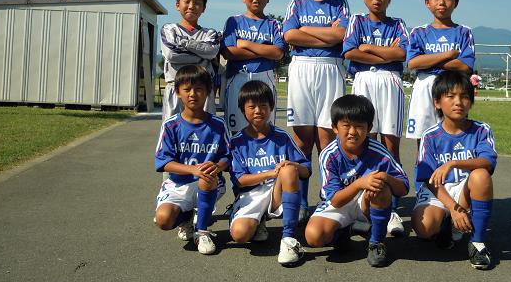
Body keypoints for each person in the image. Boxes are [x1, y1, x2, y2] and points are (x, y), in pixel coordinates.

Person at [282, 0, 350, 221]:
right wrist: (327, 34)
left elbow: (341, 35)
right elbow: (289, 35)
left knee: (327, 139)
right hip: (302, 68)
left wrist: (306, 31)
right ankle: (300, 201)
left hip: (331, 68)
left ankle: (327, 197)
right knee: (302, 139)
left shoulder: (341, 4)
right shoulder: (297, 3)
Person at [341, 0, 409, 237]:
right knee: (364, 143)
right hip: (364, 80)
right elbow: (349, 52)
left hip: (391, 81)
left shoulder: (398, 23)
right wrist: (385, 53)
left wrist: (368, 48)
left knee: (391, 145)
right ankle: (364, 206)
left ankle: (391, 210)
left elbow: (402, 53)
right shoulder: (356, 21)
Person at [305, 95, 409, 267]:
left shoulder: (379, 151)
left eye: (359, 126)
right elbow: (335, 200)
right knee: (313, 236)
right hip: (340, 201)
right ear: (335, 127)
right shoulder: (329, 154)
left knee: (381, 187)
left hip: (367, 201)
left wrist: (385, 177)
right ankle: (343, 232)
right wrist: (359, 183)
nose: (353, 132)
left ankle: (376, 242)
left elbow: (404, 187)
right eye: (346, 125)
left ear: (369, 128)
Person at [410, 70, 497, 270]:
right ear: (437, 103)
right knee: (424, 229)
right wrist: (453, 209)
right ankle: (446, 224)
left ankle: (477, 243)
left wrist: (454, 163)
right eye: (450, 96)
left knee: (481, 175)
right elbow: (428, 179)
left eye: (464, 96)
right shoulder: (430, 136)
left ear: (471, 102)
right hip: (438, 190)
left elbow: (488, 162)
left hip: (466, 189)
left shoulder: (481, 130)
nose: (458, 102)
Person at [228, 81, 311, 266]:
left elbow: (306, 170)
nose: (258, 111)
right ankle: (257, 222)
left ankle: (289, 239)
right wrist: (270, 173)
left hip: (276, 192)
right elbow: (240, 180)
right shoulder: (237, 142)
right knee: (240, 235)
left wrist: (294, 166)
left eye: (263, 106)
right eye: (252, 107)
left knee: (289, 170)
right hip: (250, 196)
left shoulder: (282, 137)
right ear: (243, 109)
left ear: (271, 107)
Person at [154, 65, 230, 255]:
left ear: (208, 91)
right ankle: (186, 216)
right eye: (187, 89)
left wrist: (217, 166)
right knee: (163, 220)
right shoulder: (171, 125)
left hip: (209, 183)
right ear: (177, 92)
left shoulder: (218, 124)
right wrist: (192, 169)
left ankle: (201, 231)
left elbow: (228, 156)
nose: (193, 94)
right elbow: (163, 161)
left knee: (206, 176)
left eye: (199, 89)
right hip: (178, 185)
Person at [405, 0, 475, 141]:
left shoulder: (464, 32)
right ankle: (423, 159)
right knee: (423, 137)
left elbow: (465, 66)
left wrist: (427, 60)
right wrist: (447, 55)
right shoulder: (419, 32)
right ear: (427, 2)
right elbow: (413, 63)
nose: (441, 2)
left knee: (453, 133)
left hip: (452, 87)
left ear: (456, 2)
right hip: (424, 87)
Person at [221, 0, 286, 134]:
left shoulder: (273, 24)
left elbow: (278, 52)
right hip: (238, 77)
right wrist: (264, 50)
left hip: (265, 78)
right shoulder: (234, 21)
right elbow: (228, 52)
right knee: (236, 131)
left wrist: (245, 44)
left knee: (264, 129)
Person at [160, 0, 222, 120]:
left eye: (197, 2)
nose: (191, 6)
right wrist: (202, 57)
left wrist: (183, 43)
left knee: (206, 130)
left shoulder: (210, 33)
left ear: (204, 8)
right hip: (175, 91)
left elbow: (211, 52)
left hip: (203, 91)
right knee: (173, 130)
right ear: (177, 4)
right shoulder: (169, 29)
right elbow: (172, 55)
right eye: (187, 1)